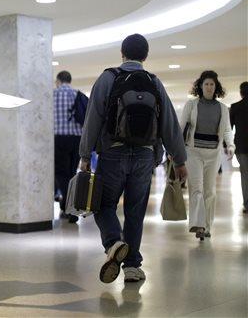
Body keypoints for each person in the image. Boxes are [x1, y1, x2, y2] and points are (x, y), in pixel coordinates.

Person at [79, 34, 187, 283]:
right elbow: (169, 124)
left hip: (113, 153)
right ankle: (132, 267)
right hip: (144, 156)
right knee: (135, 211)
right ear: (145, 56)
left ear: (122, 53)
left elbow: (92, 119)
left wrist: (85, 155)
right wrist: (179, 160)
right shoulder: (154, 82)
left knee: (104, 205)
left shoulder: (108, 78)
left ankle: (114, 242)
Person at [181, 71, 235, 240]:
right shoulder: (192, 104)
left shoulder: (222, 108)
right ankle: (198, 225)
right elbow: (181, 127)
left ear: (216, 87)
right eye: (206, 84)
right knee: (196, 188)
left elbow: (226, 129)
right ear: (201, 86)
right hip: (193, 151)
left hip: (213, 153)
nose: (209, 87)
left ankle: (207, 226)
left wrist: (231, 145)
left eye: (212, 84)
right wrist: (175, 150)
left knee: (209, 191)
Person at [53, 71, 87, 224]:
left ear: (58, 81)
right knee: (72, 173)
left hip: (59, 138)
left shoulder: (52, 95)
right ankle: (69, 206)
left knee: (61, 174)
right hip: (77, 139)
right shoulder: (77, 94)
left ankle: (69, 208)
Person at [230, 81, 248, 214]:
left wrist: (227, 145)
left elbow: (228, 128)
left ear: (241, 93)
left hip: (241, 146)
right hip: (241, 146)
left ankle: (247, 204)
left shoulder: (235, 107)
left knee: (245, 176)